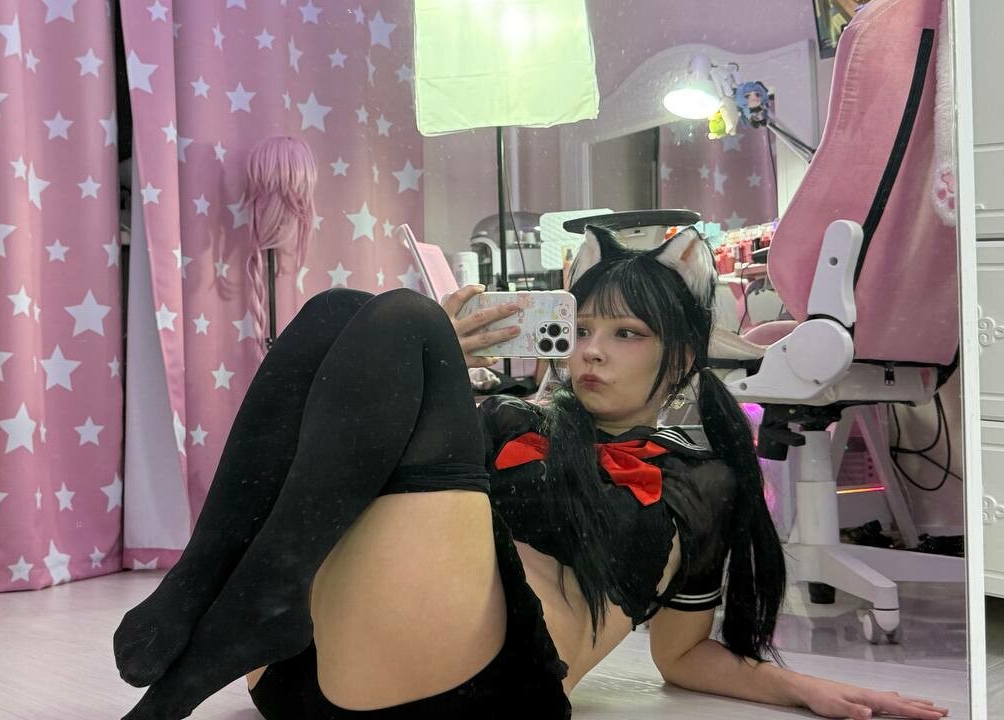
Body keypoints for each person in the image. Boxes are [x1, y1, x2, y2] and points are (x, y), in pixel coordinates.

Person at [113, 225, 950, 720]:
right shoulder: (509, 419)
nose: (591, 350)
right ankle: (213, 590)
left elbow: (683, 657)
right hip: (308, 670)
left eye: (625, 335)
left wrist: (802, 690)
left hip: (463, 692)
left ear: (682, 359)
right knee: (342, 312)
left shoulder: (703, 482)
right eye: (580, 329)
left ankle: (235, 600)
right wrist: (425, 355)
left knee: (398, 322)